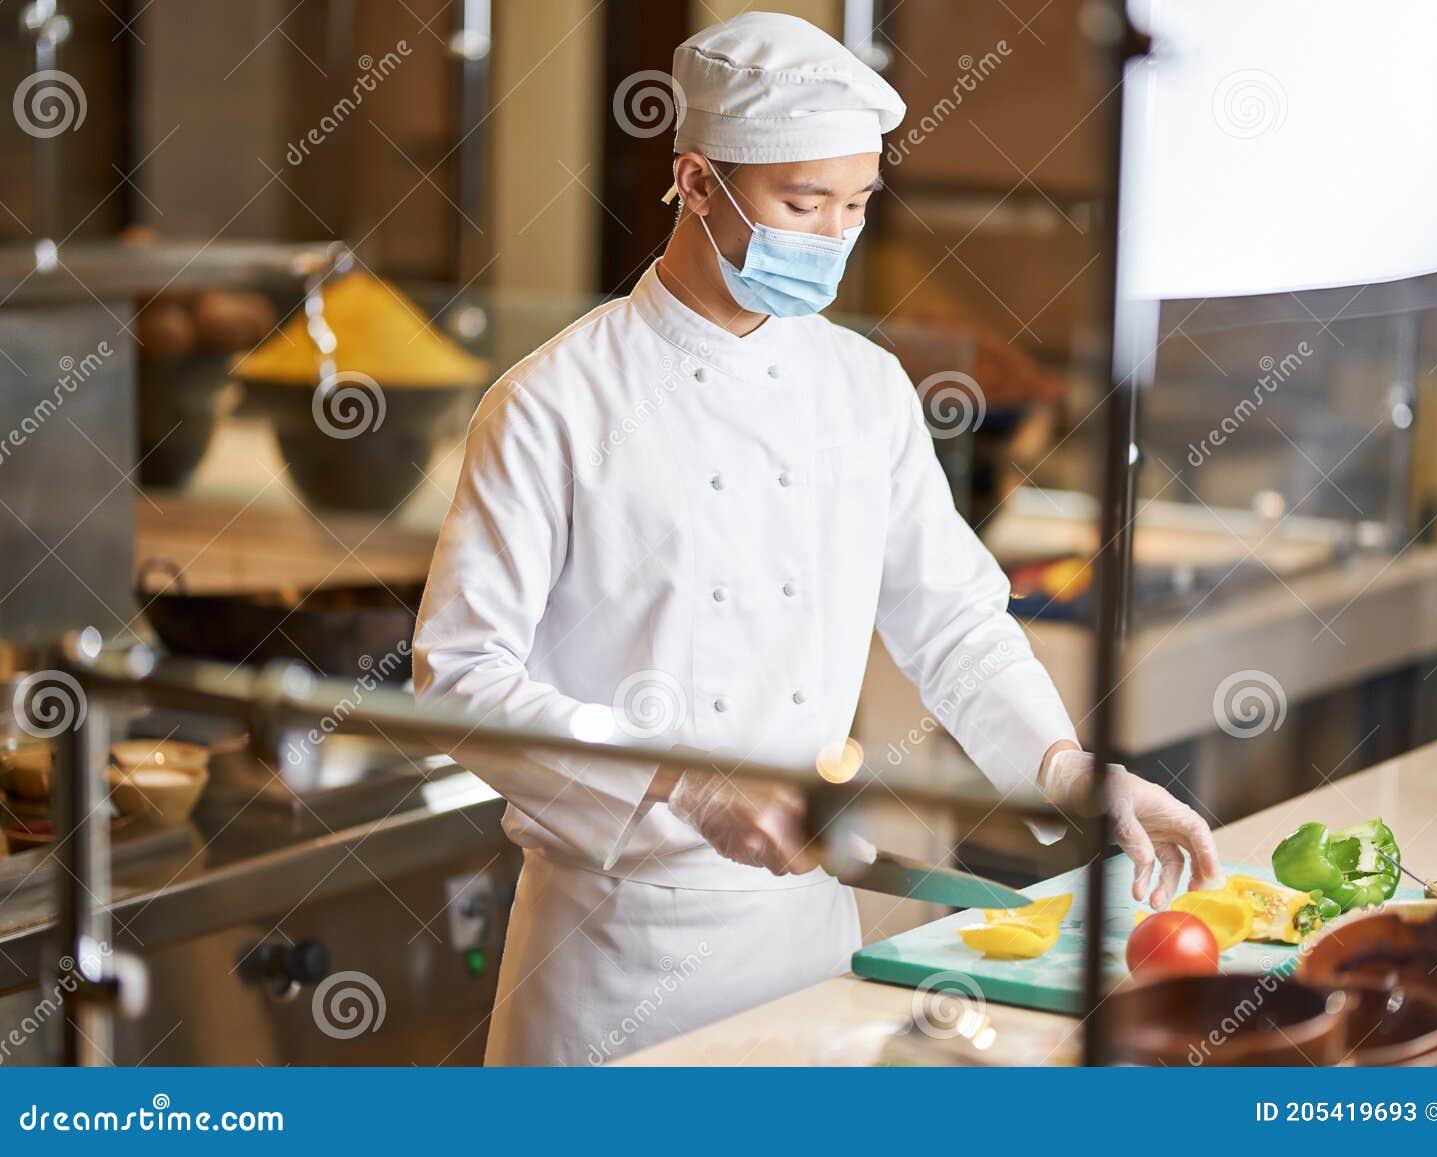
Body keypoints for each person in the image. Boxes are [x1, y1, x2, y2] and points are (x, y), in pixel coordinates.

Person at [413, 10, 1221, 1067]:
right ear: (696, 182)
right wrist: (687, 781)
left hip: (805, 942)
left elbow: (953, 623)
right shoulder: (552, 403)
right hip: (611, 952)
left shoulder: (863, 387)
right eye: (801, 204)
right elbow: (457, 677)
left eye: (853, 205)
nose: (830, 237)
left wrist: (1071, 769)